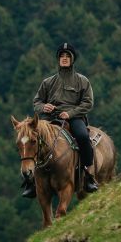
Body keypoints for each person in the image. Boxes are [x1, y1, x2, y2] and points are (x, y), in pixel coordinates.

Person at [23, 41, 98, 197]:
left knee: (83, 137)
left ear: (72, 59)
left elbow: (88, 103)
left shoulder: (82, 81)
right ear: (58, 59)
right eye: (61, 56)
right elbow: (37, 101)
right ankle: (30, 183)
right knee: (31, 139)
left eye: (67, 56)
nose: (64, 58)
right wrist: (44, 107)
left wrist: (70, 114)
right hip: (50, 119)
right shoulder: (48, 82)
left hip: (74, 118)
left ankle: (88, 176)